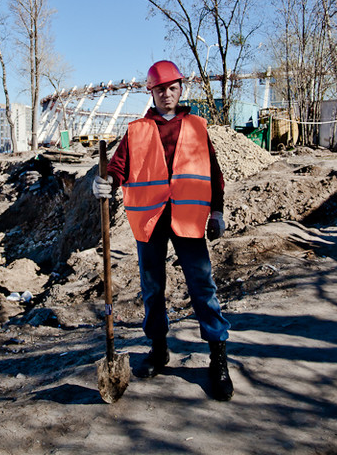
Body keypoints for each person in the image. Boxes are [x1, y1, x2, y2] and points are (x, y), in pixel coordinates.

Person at [92, 60, 233, 401]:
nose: (167, 95)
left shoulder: (198, 126)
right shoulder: (137, 130)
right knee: (152, 289)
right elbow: (118, 167)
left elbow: (213, 172)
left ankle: (218, 357)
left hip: (188, 219)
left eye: (172, 88)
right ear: (151, 93)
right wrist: (105, 181)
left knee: (203, 287)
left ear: (181, 89)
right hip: (150, 220)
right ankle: (158, 349)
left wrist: (217, 211)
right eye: (160, 89)